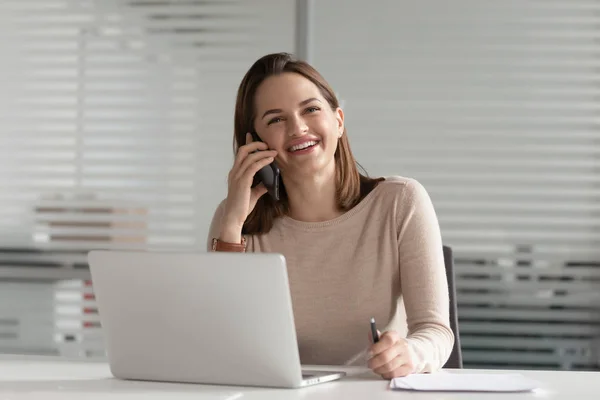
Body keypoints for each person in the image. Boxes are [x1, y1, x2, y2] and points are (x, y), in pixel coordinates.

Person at [207, 52, 454, 379]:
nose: (298, 128)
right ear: (253, 143)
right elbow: (219, 340)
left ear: (338, 121)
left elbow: (435, 331)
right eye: (275, 119)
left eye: (310, 109)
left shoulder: (400, 201)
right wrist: (232, 225)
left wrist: (410, 353)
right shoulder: (234, 218)